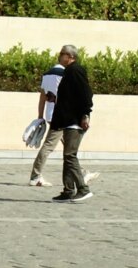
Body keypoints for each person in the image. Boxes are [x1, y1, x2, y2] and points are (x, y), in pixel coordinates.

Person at [48, 44, 95, 203]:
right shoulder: (69, 72)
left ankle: (83, 188)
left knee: (70, 155)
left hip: (75, 121)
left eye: (61, 54)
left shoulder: (76, 70)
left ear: (70, 56)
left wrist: (85, 114)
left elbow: (86, 94)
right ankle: (68, 190)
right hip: (68, 121)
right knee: (67, 156)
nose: (59, 56)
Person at [27, 57, 65, 187]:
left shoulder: (47, 75)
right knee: (49, 146)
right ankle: (35, 175)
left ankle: (80, 173)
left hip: (50, 114)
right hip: (61, 116)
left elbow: (42, 97)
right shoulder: (64, 75)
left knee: (70, 147)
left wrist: (40, 115)